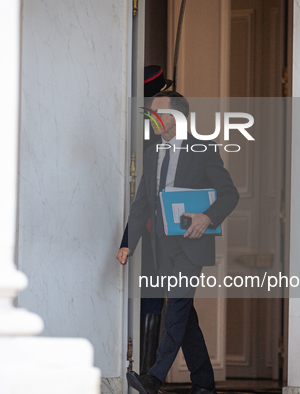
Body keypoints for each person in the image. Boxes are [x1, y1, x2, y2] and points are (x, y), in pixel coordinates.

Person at [119, 91, 239, 394]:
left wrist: (207, 218)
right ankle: (204, 383)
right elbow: (142, 204)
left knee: (176, 306)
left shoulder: (203, 149)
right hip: (162, 245)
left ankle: (154, 377)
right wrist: (127, 244)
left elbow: (229, 194)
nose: (153, 119)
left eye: (159, 113)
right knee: (184, 314)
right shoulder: (151, 152)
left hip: (191, 242)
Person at [117, 65, 173, 375]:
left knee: (161, 300)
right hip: (154, 217)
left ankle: (146, 372)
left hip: (160, 218)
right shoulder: (153, 122)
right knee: (155, 299)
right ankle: (145, 371)